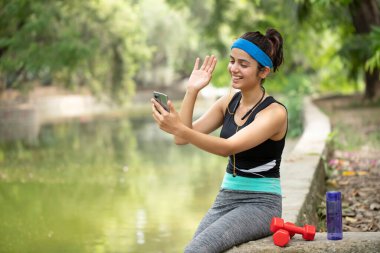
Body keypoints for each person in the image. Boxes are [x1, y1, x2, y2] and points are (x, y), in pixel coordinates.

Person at [151, 28, 287, 253]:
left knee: (196, 250)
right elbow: (181, 137)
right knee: (193, 248)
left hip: (261, 204)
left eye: (244, 64)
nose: (234, 68)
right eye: (232, 61)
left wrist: (178, 128)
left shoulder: (274, 113)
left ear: (263, 71)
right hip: (227, 196)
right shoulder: (229, 102)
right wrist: (192, 90)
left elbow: (227, 147)